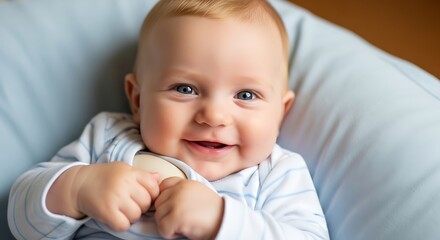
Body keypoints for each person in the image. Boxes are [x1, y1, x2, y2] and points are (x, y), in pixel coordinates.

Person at [8, 0, 329, 239]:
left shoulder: (275, 174)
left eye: (245, 95)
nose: (214, 116)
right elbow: (21, 220)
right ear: (137, 99)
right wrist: (76, 189)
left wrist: (220, 220)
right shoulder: (109, 136)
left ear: (280, 113)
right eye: (185, 89)